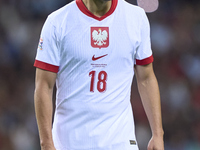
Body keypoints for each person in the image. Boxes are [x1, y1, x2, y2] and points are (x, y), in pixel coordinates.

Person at [34, 0, 164, 149]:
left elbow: (146, 78)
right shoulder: (57, 22)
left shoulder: (136, 18)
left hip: (120, 140)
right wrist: (46, 144)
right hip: (71, 142)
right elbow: (44, 86)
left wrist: (158, 134)